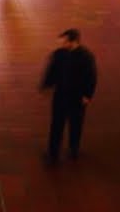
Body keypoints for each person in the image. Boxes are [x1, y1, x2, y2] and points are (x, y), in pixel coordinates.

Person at [41, 29, 97, 164]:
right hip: (60, 95)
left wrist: (87, 95)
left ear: (73, 42)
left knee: (76, 124)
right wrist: (46, 84)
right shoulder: (59, 54)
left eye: (65, 41)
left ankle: (74, 148)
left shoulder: (86, 57)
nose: (62, 44)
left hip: (77, 97)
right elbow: (52, 70)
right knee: (56, 124)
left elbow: (91, 77)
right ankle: (53, 152)